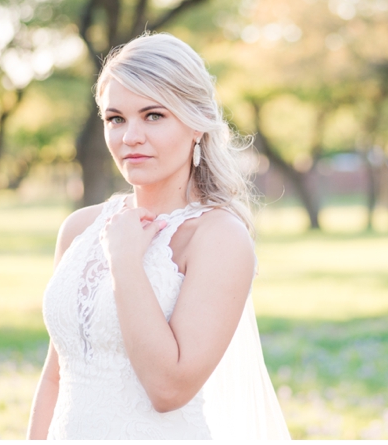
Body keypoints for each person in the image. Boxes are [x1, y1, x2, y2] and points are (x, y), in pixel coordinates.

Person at [27, 32, 289, 440]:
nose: (130, 136)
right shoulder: (79, 229)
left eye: (153, 115)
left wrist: (125, 261)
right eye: (116, 119)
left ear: (196, 124)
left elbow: (169, 388)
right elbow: (55, 378)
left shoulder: (218, 237)